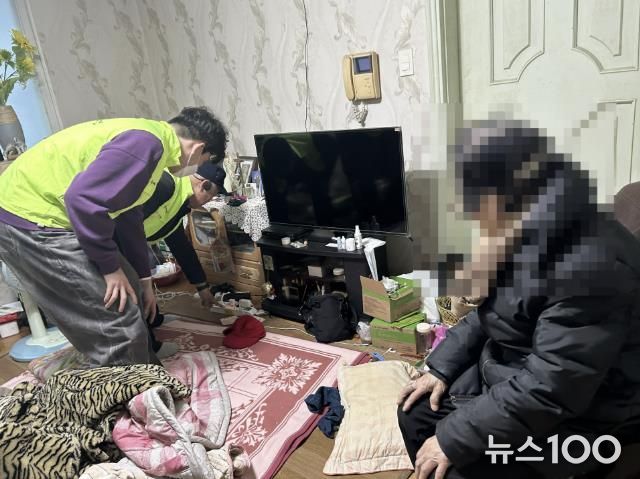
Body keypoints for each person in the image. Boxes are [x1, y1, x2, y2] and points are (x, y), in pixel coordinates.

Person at [397, 120, 640, 479]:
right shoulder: (529, 228)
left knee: (456, 464)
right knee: (415, 409)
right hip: (514, 371)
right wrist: (440, 368)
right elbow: (491, 315)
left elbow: (553, 387)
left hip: (584, 415)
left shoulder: (593, 269)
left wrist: (452, 438)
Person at [0, 106, 227, 367]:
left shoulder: (152, 146)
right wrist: (109, 269)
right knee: (117, 315)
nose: (197, 168)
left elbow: (128, 219)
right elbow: (81, 200)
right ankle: (134, 386)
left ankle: (145, 370)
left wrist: (143, 279)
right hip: (30, 218)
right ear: (199, 149)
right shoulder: (147, 145)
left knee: (130, 288)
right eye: (202, 161)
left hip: (42, 215)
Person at [132, 161, 227, 356]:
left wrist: (202, 288)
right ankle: (150, 348)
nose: (207, 202)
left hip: (132, 244)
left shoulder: (180, 203)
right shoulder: (165, 185)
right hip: (116, 244)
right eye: (210, 197)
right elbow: (127, 224)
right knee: (134, 294)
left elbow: (181, 246)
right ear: (203, 185)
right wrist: (143, 280)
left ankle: (154, 320)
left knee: (143, 288)